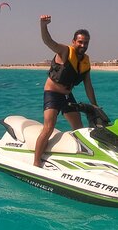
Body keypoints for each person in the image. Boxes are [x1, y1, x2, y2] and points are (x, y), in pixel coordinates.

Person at [33, 15, 98, 167]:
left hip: (67, 95)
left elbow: (88, 85)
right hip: (52, 93)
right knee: (48, 127)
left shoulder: (85, 61)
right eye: (80, 42)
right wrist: (43, 25)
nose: (83, 45)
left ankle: (83, 160)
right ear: (74, 41)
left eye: (86, 43)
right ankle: (36, 163)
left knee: (79, 129)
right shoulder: (64, 51)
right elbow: (48, 41)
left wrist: (95, 106)